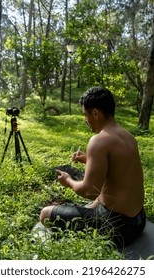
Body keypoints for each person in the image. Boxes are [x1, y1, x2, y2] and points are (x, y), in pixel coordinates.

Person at [40, 86, 146, 247]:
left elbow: (88, 191)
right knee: (98, 198)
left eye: (85, 115)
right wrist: (88, 159)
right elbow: (118, 169)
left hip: (117, 228)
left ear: (95, 113)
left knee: (45, 214)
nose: (85, 120)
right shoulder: (128, 136)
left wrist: (68, 181)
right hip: (138, 221)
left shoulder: (98, 141)